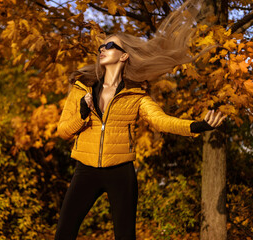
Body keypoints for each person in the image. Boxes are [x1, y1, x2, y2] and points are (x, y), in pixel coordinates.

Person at [55, 0, 226, 239]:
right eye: (101, 47)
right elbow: (63, 131)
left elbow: (162, 121)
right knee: (63, 234)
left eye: (110, 45)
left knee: (125, 236)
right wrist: (82, 115)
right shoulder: (82, 87)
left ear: (124, 56)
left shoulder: (135, 95)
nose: (102, 49)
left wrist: (198, 125)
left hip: (120, 173)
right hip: (85, 171)